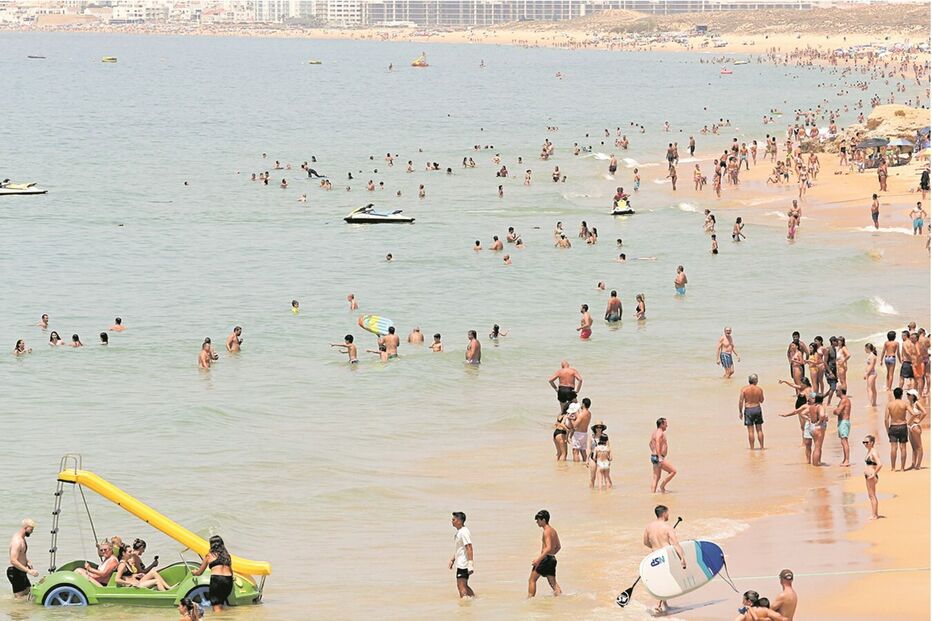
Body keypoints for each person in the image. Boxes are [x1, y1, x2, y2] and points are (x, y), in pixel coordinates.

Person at [643, 505, 686, 615]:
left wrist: (654, 548)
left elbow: (645, 542)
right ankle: (658, 605)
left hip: (654, 556)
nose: (668, 515)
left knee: (660, 579)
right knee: (667, 580)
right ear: (664, 514)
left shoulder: (649, 527)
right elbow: (675, 544)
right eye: (668, 513)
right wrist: (682, 558)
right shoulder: (667, 528)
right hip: (665, 556)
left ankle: (665, 605)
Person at [192, 535, 233, 612]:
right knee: (221, 604)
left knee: (216, 606)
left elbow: (199, 572)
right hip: (228, 580)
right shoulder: (227, 556)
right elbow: (231, 571)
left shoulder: (209, 556)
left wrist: (194, 572)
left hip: (217, 580)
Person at [528, 510, 561, 597]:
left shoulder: (546, 531)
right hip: (552, 559)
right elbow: (558, 547)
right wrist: (551, 555)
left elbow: (548, 547)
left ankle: (529, 599)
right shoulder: (553, 531)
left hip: (545, 559)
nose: (537, 522)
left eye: (538, 520)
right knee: (553, 583)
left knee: (532, 580)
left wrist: (538, 560)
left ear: (543, 520)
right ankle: (560, 598)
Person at [7, 518, 38, 597]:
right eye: (31, 529)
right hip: (15, 572)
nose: (32, 531)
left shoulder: (22, 539)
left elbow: (21, 554)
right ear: (26, 527)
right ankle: (16, 609)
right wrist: (29, 571)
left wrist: (27, 562)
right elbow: (13, 560)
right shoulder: (17, 541)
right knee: (19, 598)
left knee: (28, 591)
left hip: (21, 571)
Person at [449, 512, 474, 598]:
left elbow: (469, 547)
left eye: (454, 519)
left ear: (459, 521)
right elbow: (459, 548)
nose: (452, 521)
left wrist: (470, 564)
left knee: (461, 585)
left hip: (463, 564)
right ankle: (473, 599)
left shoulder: (464, 532)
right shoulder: (460, 532)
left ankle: (465, 604)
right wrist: (453, 559)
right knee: (464, 585)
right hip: (461, 562)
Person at [885, 387, 910, 471]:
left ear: (894, 394)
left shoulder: (889, 404)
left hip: (893, 426)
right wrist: (909, 422)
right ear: (901, 394)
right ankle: (902, 468)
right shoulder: (905, 404)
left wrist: (887, 430)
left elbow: (886, 419)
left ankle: (893, 468)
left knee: (893, 447)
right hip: (903, 425)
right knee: (903, 447)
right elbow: (913, 413)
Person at [650, 418, 676, 493]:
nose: (667, 425)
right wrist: (659, 456)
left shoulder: (654, 433)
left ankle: (652, 494)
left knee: (656, 478)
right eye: (665, 424)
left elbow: (650, 444)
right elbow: (657, 443)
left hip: (654, 456)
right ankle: (662, 487)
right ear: (661, 424)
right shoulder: (659, 433)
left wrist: (654, 452)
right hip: (658, 457)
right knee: (673, 471)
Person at [739, 374, 765, 449]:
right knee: (759, 429)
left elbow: (741, 401)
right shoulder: (759, 389)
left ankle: (752, 448)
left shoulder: (744, 389)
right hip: (757, 408)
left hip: (748, 410)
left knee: (750, 431)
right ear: (756, 381)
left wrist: (740, 411)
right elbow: (762, 400)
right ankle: (762, 447)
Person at [863, 435, 882, 519]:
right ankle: (874, 513)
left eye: (867, 442)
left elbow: (880, 464)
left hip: (871, 476)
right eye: (864, 442)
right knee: (870, 495)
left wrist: (874, 474)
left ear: (872, 443)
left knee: (872, 495)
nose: (865, 444)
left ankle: (875, 515)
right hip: (868, 475)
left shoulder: (873, 452)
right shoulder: (869, 451)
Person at [906, 388, 926, 470]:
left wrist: (918, 420)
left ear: (913, 396)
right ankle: (913, 464)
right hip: (910, 426)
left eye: (908, 394)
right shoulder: (909, 404)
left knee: (919, 446)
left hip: (915, 426)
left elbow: (924, 412)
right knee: (913, 447)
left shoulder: (916, 403)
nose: (907, 396)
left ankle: (918, 464)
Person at [834, 387, 852, 465]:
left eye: (837, 391)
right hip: (843, 422)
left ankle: (847, 460)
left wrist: (834, 410)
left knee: (844, 441)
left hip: (844, 422)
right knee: (843, 441)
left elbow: (838, 411)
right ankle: (845, 459)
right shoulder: (844, 400)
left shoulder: (844, 400)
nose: (835, 392)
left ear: (841, 391)